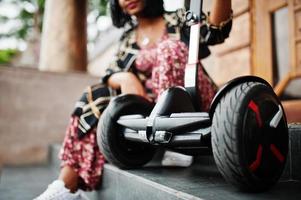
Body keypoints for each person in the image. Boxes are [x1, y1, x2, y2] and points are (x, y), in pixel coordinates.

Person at [34, 0, 232, 199]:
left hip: (192, 99)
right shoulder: (129, 37)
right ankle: (64, 187)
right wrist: (125, 77)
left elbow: (216, 31)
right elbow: (110, 74)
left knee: (168, 48)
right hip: (152, 111)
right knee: (96, 94)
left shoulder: (178, 18)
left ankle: (177, 134)